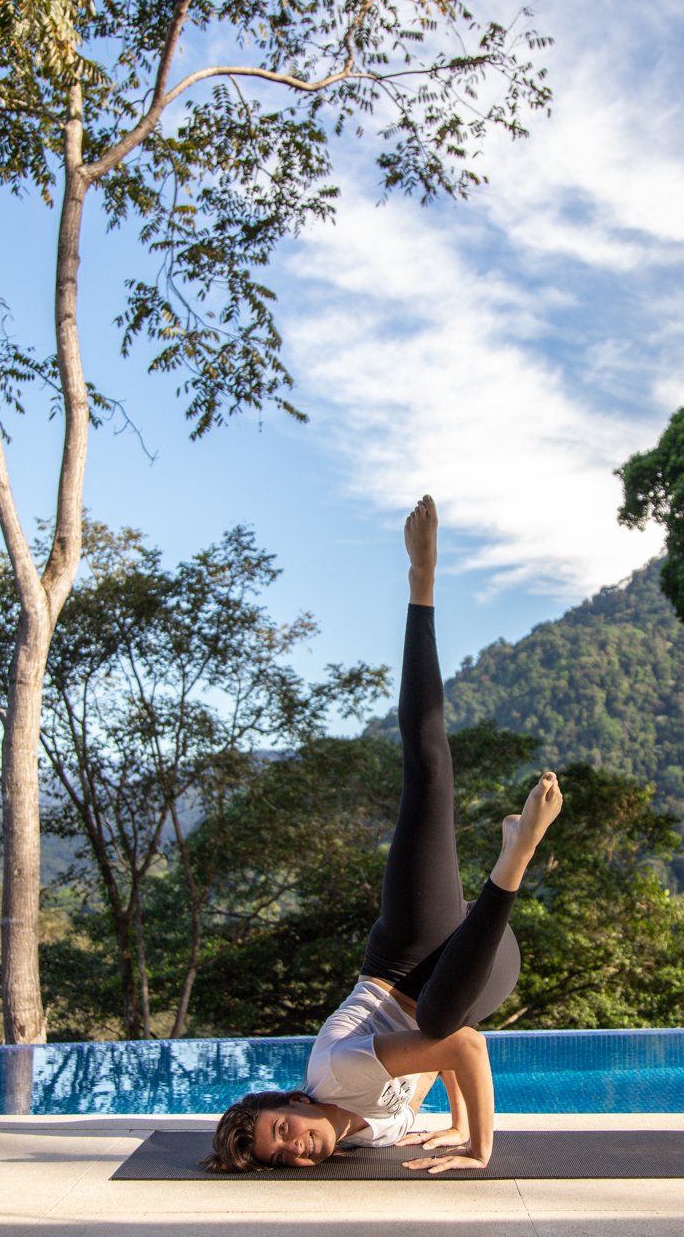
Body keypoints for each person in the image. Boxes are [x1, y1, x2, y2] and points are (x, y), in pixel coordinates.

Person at [205, 495, 563, 1176]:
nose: (297, 1145)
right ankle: (510, 863)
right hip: (486, 961)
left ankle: (421, 585)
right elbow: (447, 1045)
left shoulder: (338, 1070)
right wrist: (450, 1117)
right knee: (439, 1018)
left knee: (427, 772)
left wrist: (475, 1147)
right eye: (284, 1156)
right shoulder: (364, 1136)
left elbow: (463, 1050)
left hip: (408, 952)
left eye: (282, 1127)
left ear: (290, 1101)